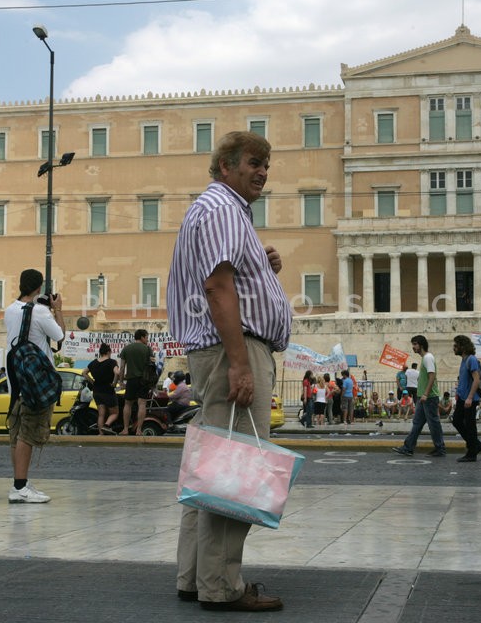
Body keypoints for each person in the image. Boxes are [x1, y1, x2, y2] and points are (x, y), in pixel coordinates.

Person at [168, 130, 290, 612]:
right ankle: (221, 587)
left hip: (222, 350)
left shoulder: (223, 210)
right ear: (226, 167)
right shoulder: (222, 209)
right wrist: (241, 363)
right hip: (230, 351)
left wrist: (262, 265)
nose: (262, 171)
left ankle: (195, 578)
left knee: (212, 465)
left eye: (266, 164)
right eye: (254, 163)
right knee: (233, 470)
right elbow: (219, 288)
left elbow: (230, 276)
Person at [4, 268, 65, 504]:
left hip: (16, 380)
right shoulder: (40, 312)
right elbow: (59, 336)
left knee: (17, 432)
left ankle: (20, 482)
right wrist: (57, 309)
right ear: (39, 287)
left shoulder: (10, 310)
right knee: (29, 433)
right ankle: (19, 487)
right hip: (36, 381)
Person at [392, 335, 446, 457]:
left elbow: (432, 376)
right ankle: (408, 447)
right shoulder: (425, 358)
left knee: (434, 424)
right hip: (422, 397)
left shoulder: (428, 358)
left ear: (421, 345)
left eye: (415, 344)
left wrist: (426, 394)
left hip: (429, 397)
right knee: (417, 423)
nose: (413, 347)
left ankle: (440, 448)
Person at [452, 335, 481, 462]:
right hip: (462, 397)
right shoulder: (464, 360)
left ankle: (472, 452)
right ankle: (476, 444)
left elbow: (476, 379)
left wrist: (470, 397)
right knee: (457, 421)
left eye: (456, 346)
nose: (454, 348)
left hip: (469, 398)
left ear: (463, 347)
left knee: (470, 425)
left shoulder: (471, 359)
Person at [116, 329, 154, 436]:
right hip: (144, 380)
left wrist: (121, 381)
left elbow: (122, 367)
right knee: (142, 404)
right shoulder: (147, 349)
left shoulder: (126, 349)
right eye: (146, 337)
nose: (147, 340)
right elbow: (152, 366)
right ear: (142, 337)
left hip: (131, 380)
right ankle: (139, 430)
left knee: (128, 404)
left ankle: (125, 429)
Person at [87, 343, 120, 435]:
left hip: (96, 390)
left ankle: (101, 433)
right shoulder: (112, 362)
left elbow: (84, 372)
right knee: (115, 413)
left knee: (101, 414)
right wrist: (114, 383)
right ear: (109, 352)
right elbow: (117, 373)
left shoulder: (93, 363)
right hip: (108, 390)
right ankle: (107, 425)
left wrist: (92, 382)